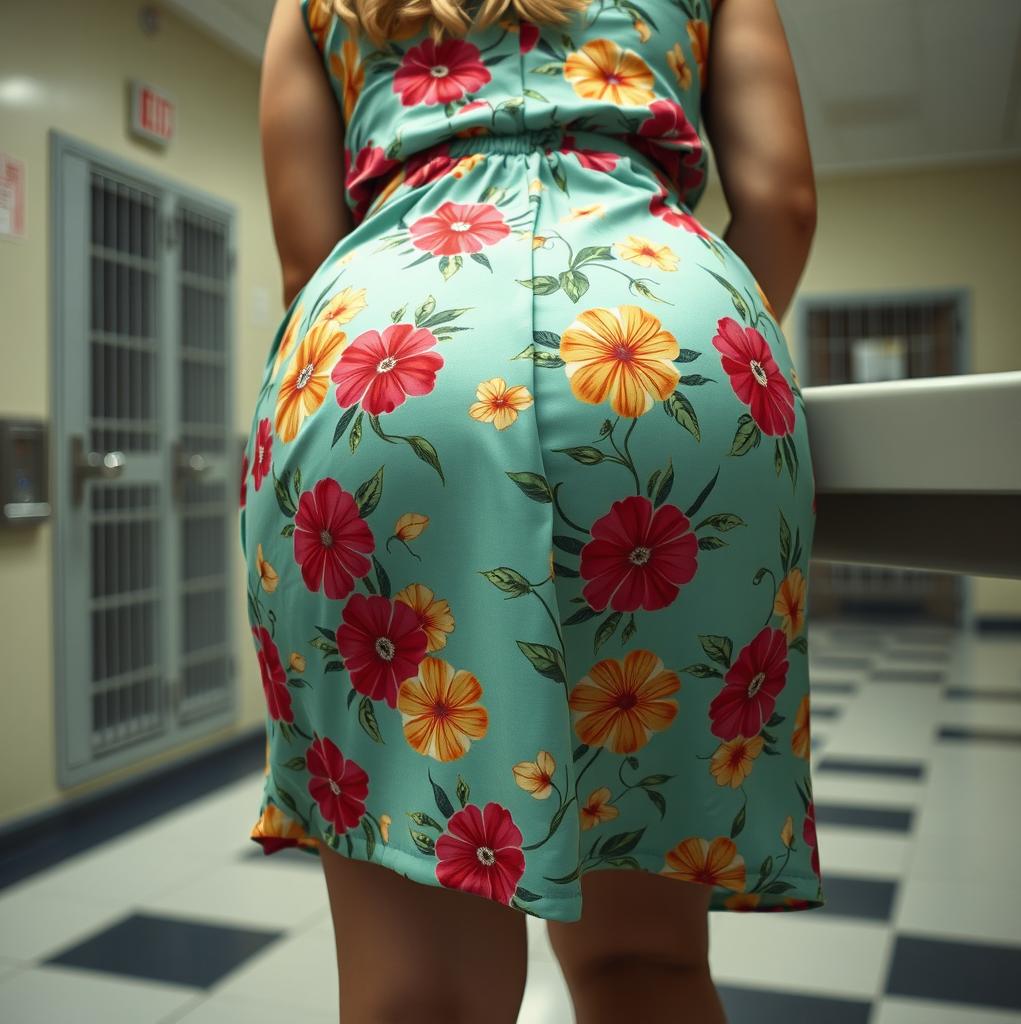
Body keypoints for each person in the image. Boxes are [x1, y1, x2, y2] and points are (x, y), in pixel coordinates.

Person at [242, 0, 821, 1019]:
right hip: (659, 345)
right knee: (648, 964)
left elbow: (301, 260)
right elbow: (780, 198)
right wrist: (697, 368)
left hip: (395, 357)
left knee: (416, 994)